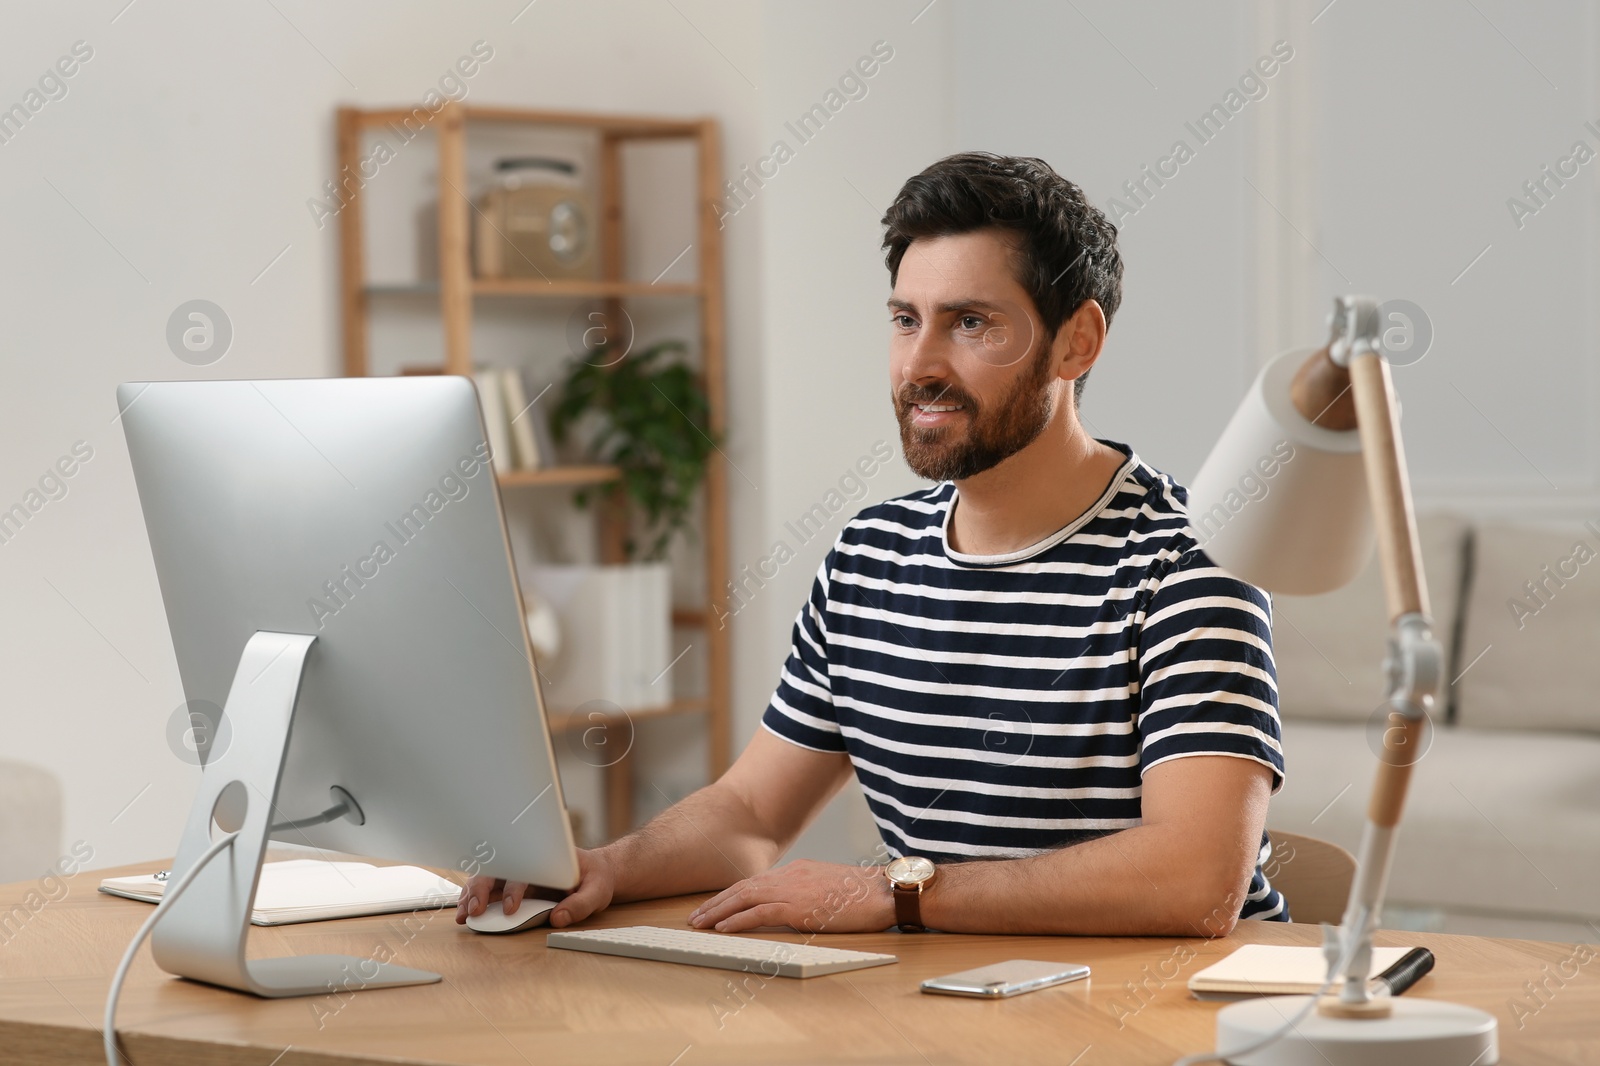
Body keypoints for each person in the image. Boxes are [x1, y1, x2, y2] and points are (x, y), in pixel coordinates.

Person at [458, 151, 1286, 937]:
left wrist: (893, 892)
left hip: (1169, 1020)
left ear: (1078, 341)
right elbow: (750, 816)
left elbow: (1195, 880)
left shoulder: (1191, 564)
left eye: (969, 323)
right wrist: (604, 864)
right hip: (956, 1003)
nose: (919, 364)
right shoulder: (869, 556)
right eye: (904, 320)